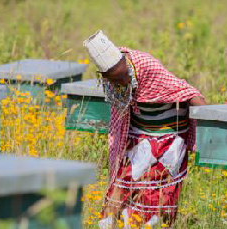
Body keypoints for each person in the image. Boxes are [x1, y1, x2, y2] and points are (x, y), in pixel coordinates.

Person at [83, 30, 206, 228]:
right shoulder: (112, 81)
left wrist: (209, 119)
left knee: (158, 188)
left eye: (122, 77)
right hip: (138, 134)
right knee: (125, 180)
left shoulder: (147, 66)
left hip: (168, 138)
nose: (121, 82)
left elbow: (185, 91)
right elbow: (120, 111)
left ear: (125, 64)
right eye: (115, 80)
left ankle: (153, 223)